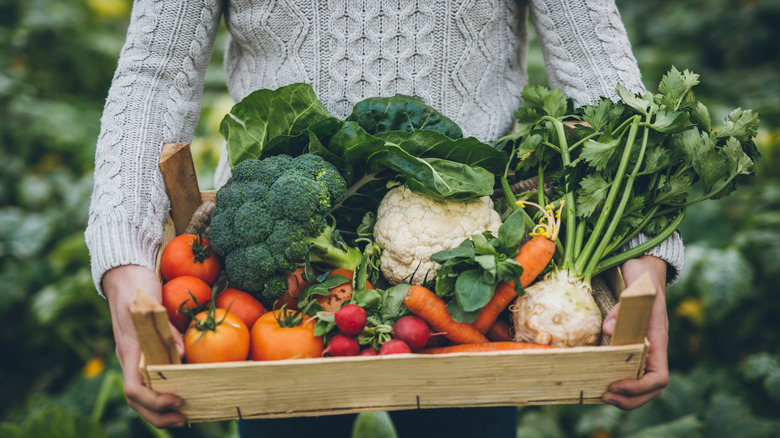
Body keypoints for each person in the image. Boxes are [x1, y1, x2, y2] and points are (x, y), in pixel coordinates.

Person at [86, 0, 684, 436]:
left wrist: (643, 256)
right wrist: (125, 258)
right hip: (282, 278)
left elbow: (597, 63)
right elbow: (154, 74)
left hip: (472, 276)